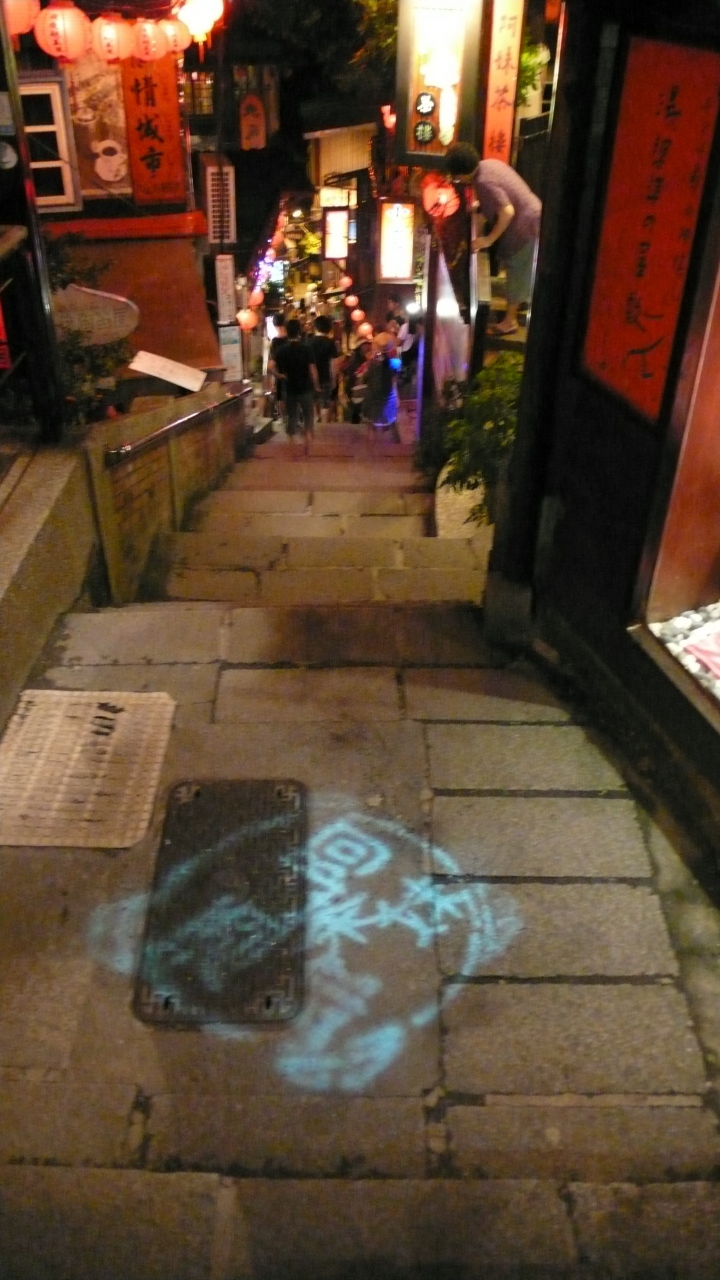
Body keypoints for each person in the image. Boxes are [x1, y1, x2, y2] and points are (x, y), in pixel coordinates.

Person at [444, 142, 541, 336]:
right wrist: (480, 206)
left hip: (524, 227)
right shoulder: (488, 164)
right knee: (522, 269)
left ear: (462, 173)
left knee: (516, 269)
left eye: (456, 176)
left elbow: (507, 211)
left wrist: (488, 239)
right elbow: (503, 194)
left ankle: (510, 321)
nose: (457, 180)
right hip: (533, 215)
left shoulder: (483, 182)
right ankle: (519, 303)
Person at [274, 317, 319, 443]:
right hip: (306, 387)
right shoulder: (306, 349)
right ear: (299, 331)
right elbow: (313, 370)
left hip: (290, 388)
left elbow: (270, 367)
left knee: (292, 417)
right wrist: (316, 386)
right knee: (308, 416)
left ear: (287, 331)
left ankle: (291, 443)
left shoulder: (282, 350)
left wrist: (279, 375)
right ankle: (308, 440)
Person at [361, 331, 402, 442]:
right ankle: (383, 450)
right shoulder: (396, 363)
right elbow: (394, 381)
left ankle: (372, 449)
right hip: (388, 398)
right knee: (386, 428)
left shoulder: (371, 364)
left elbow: (366, 378)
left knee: (372, 427)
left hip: (372, 397)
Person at [309, 314, 340, 423]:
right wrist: (334, 380)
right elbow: (333, 363)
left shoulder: (308, 342)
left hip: (309, 378)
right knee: (325, 404)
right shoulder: (330, 343)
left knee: (313, 403)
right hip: (326, 378)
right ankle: (324, 427)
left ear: (316, 327)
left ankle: (315, 424)